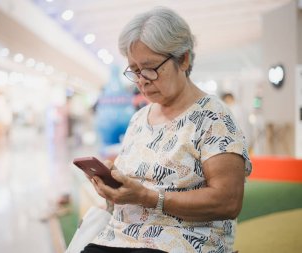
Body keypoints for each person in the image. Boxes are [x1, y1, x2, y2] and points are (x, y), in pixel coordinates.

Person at [81, 6, 251, 253]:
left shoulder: (213, 116)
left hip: (183, 242)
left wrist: (148, 197)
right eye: (135, 70)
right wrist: (113, 186)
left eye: (150, 68)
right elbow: (131, 188)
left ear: (183, 59)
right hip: (120, 239)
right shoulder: (139, 118)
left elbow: (228, 201)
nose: (142, 80)